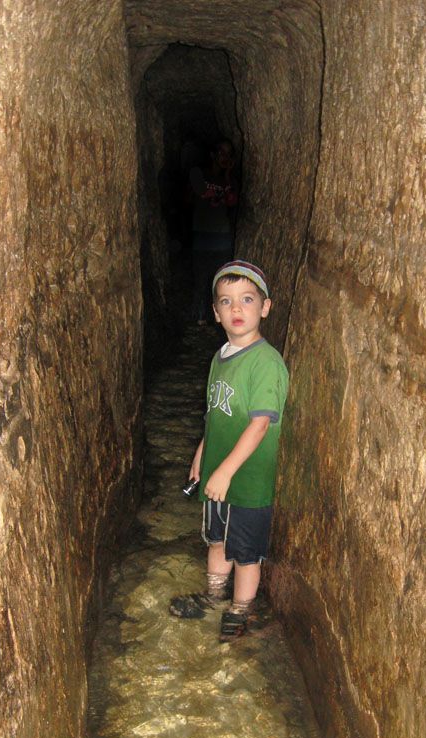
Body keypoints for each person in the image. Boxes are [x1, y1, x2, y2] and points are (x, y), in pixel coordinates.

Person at [170, 261, 289, 642]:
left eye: (247, 300)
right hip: (220, 478)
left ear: (265, 308)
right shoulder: (220, 357)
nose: (237, 310)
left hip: (248, 482)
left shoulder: (266, 363)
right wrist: (202, 455)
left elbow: (259, 424)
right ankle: (214, 595)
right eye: (227, 301)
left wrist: (226, 472)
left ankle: (240, 610)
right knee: (217, 540)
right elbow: (215, 416)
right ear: (215, 311)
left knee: (247, 554)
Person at [188, 140, 239, 324]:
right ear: (213, 154)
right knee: (201, 280)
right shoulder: (199, 173)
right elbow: (200, 191)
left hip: (222, 237)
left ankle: (220, 321)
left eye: (228, 154)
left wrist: (227, 176)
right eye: (221, 153)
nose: (224, 158)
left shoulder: (230, 180)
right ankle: (199, 319)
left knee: (222, 283)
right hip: (202, 235)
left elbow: (232, 201)